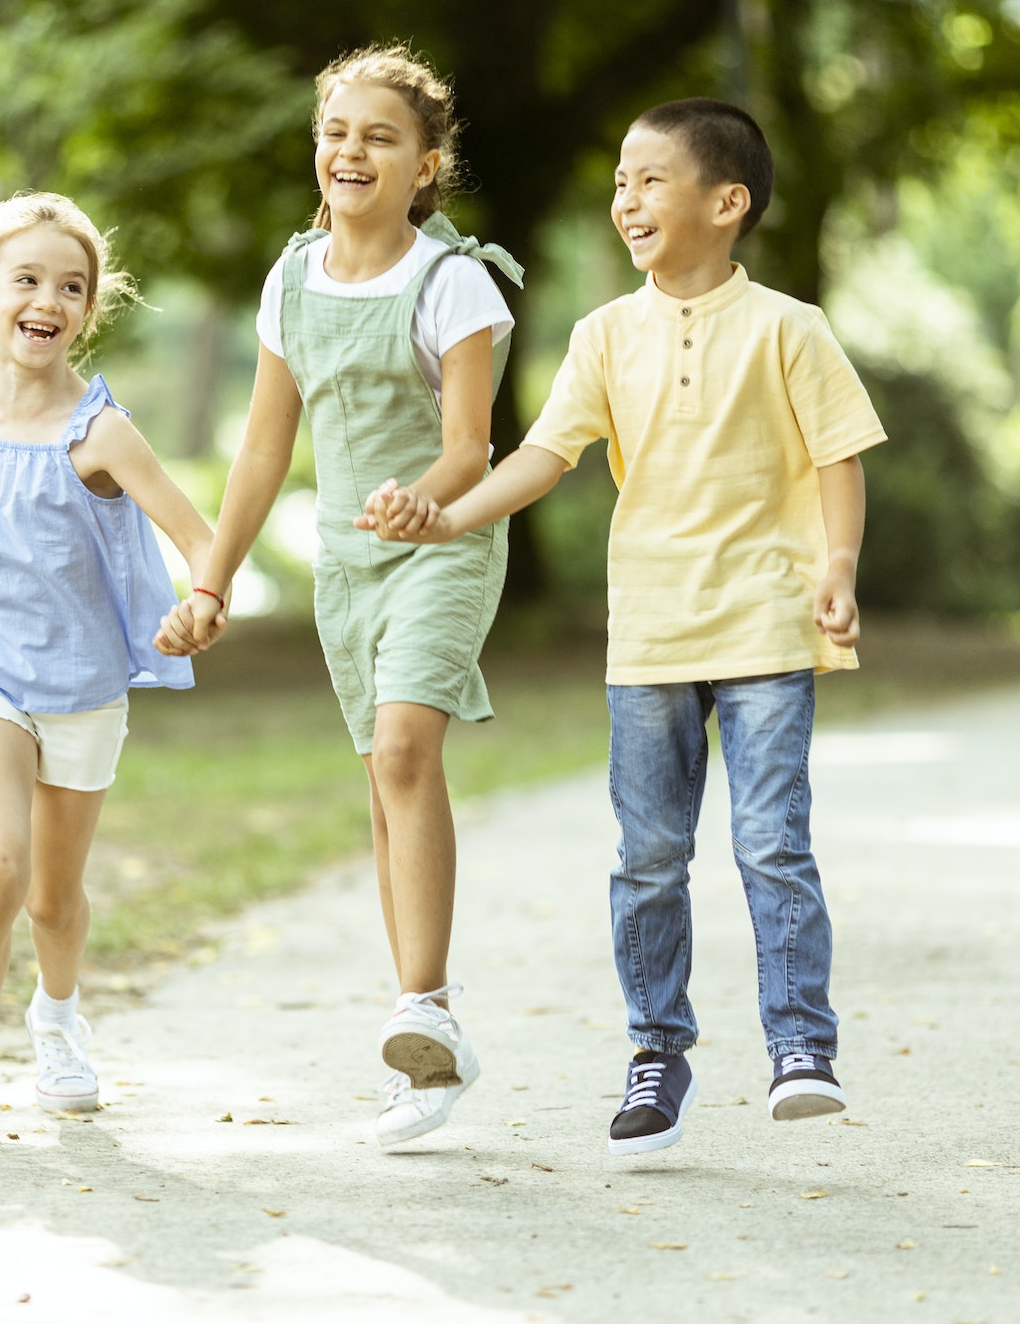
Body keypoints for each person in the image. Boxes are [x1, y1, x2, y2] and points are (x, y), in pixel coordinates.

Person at [359, 98, 885, 1155]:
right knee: (647, 856)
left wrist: (834, 565)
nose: (625, 199)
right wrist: (443, 513)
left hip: (767, 628)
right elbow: (540, 457)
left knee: (771, 844)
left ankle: (799, 1045)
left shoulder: (788, 327)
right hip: (647, 634)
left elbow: (838, 455)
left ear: (725, 202)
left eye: (650, 179)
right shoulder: (603, 334)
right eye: (617, 181)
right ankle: (656, 1051)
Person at [156, 44, 522, 1148]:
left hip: (445, 542)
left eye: (380, 136)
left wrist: (424, 502)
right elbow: (263, 451)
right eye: (335, 133)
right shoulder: (287, 280)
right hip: (344, 563)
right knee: (379, 786)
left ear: (425, 164)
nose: (351, 151)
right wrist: (210, 576)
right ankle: (427, 1057)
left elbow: (471, 446)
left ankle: (422, 1005)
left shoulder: (451, 281)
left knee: (408, 752)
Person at [0, 192, 215, 1147]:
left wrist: (201, 602)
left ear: (87, 311)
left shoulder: (100, 431)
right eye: (25, 280)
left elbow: (196, 535)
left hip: (85, 685)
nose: (48, 299)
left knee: (53, 895)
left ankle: (58, 1023)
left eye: (72, 286)